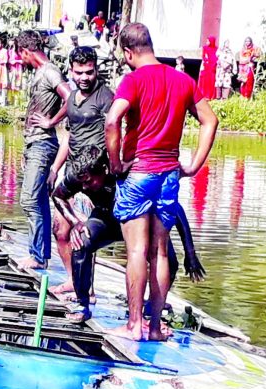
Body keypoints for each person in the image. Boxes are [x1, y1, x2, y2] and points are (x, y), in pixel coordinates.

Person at [105, 22, 218, 341]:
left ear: (128, 52)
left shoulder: (133, 80)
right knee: (161, 252)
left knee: (137, 251)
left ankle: (134, 326)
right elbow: (210, 120)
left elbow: (112, 120)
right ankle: (154, 327)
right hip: (169, 176)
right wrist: (194, 166)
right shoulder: (183, 80)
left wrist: (115, 164)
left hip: (139, 172)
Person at [54, 147, 203, 324]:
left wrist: (190, 253)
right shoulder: (79, 176)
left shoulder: (126, 173)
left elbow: (175, 209)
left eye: (89, 182)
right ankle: (82, 304)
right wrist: (75, 222)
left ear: (104, 169)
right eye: (82, 184)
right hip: (107, 219)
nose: (85, 187)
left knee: (169, 261)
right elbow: (58, 196)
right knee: (82, 242)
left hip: (138, 221)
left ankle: (152, 306)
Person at [47, 46, 114, 293]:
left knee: (84, 232)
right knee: (60, 229)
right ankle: (74, 281)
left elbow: (115, 131)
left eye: (89, 72)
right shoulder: (73, 96)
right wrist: (55, 167)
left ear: (96, 69)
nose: (84, 77)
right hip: (72, 173)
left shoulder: (105, 97)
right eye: (79, 72)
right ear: (71, 71)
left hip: (93, 174)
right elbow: (69, 136)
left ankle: (87, 291)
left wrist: (112, 164)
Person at [17, 29, 71, 270]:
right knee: (37, 200)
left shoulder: (49, 72)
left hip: (43, 143)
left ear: (26, 51)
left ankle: (38, 255)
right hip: (34, 144)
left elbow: (71, 98)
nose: (21, 61)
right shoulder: (41, 72)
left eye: (21, 56)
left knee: (30, 200)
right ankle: (40, 254)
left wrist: (52, 121)